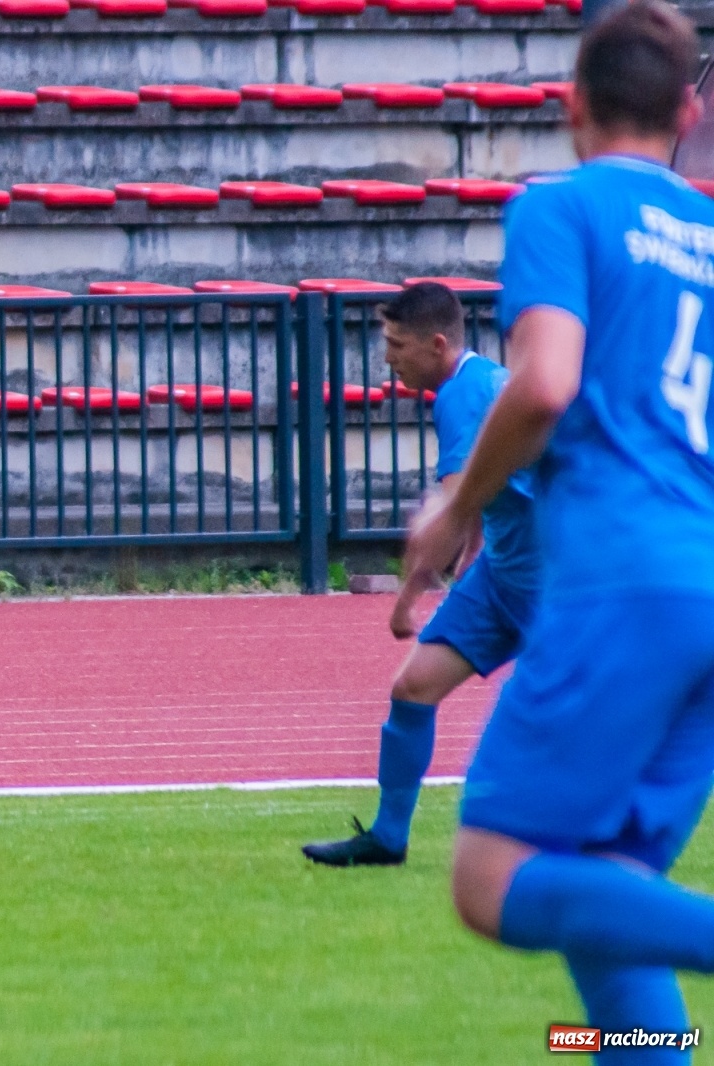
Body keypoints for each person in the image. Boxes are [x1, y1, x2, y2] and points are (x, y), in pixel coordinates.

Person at [407, 4, 714, 1053]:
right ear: (685, 110)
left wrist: (455, 503)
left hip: (621, 582)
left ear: (570, 104)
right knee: (608, 887)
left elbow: (543, 383)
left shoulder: (563, 207)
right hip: (705, 585)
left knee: (489, 879)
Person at [303, 283, 540, 866]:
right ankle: (387, 838)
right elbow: (491, 492)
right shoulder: (483, 380)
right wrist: (471, 560)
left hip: (554, 582)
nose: (387, 359)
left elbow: (454, 510)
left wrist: (405, 600)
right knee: (414, 688)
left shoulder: (460, 396)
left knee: (560, 712)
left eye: (396, 345)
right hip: (504, 573)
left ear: (436, 345)